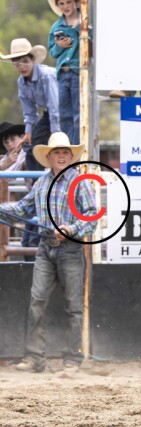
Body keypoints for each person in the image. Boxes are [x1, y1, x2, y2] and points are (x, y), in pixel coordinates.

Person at [0, 132, 97, 373]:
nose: (62, 156)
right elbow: (22, 208)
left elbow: (91, 217)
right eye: (57, 152)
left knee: (73, 306)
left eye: (65, 152)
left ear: (70, 156)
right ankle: (35, 357)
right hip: (45, 248)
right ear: (50, 157)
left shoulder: (80, 182)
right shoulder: (42, 182)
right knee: (37, 300)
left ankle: (72, 359)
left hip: (71, 249)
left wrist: (71, 229)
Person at [0, 38, 61, 172]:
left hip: (65, 111)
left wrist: (55, 131)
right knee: (32, 147)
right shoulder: (21, 82)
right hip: (50, 114)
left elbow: (55, 105)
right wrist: (28, 131)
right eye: (17, 63)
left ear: (32, 60)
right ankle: (37, 181)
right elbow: (29, 111)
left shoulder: (46, 75)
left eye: (25, 62)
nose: (22, 67)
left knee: (60, 144)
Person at [0, 121, 41, 259]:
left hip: (39, 200)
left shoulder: (25, 151)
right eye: (6, 142)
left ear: (22, 138)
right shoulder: (12, 155)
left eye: (13, 139)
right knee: (27, 242)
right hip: (34, 200)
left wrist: (6, 164)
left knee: (32, 241)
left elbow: (7, 177)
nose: (10, 144)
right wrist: (6, 163)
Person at [48, 0, 82, 146]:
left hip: (78, 73)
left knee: (78, 114)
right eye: (61, 3)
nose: (65, 6)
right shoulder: (56, 26)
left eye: (68, 2)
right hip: (62, 74)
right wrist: (59, 46)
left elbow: (91, 43)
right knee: (65, 115)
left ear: (76, 3)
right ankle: (68, 148)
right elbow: (52, 52)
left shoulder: (85, 22)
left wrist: (79, 28)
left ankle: (77, 146)